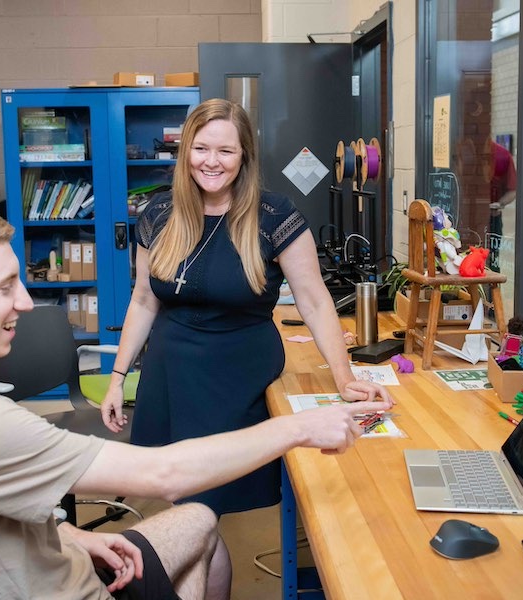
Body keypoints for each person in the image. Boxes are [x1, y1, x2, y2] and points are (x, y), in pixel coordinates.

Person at [0, 202, 392, 600]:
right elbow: (166, 476)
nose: (24, 300)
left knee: (200, 522)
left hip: (37, 568)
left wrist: (67, 535)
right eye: (5, 288)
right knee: (194, 511)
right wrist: (301, 427)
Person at [99, 97, 392, 584]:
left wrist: (344, 377)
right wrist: (117, 377)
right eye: (201, 148)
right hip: (171, 380)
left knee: (199, 514)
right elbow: (144, 301)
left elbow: (315, 301)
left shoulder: (275, 215)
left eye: (226, 151)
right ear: (185, 151)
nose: (211, 161)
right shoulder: (157, 213)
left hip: (236, 383)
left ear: (244, 157)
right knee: (193, 514)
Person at [486, 138, 517, 272]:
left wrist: (499, 204)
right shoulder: (465, 152)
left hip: (493, 219)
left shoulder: (502, 156)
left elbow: (512, 190)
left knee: (492, 260)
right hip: (469, 218)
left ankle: (492, 292)